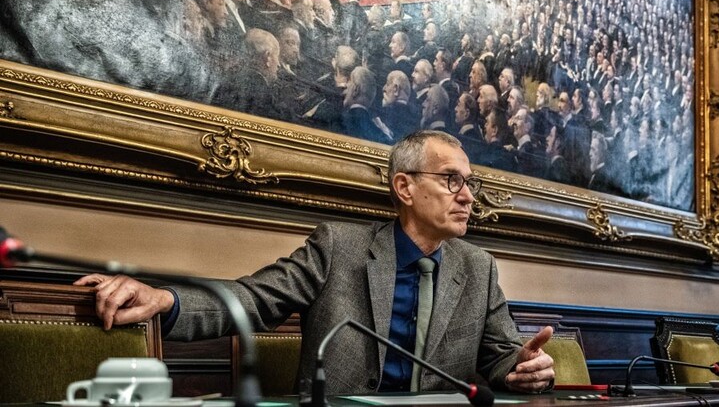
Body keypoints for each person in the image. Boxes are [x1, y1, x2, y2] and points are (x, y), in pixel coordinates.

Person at [75, 130, 555, 394]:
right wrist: (165, 299)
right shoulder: (339, 247)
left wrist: (522, 367)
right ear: (404, 187)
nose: (468, 196)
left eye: (470, 182)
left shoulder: (478, 267)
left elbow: (502, 358)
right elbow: (254, 299)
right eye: (452, 179)